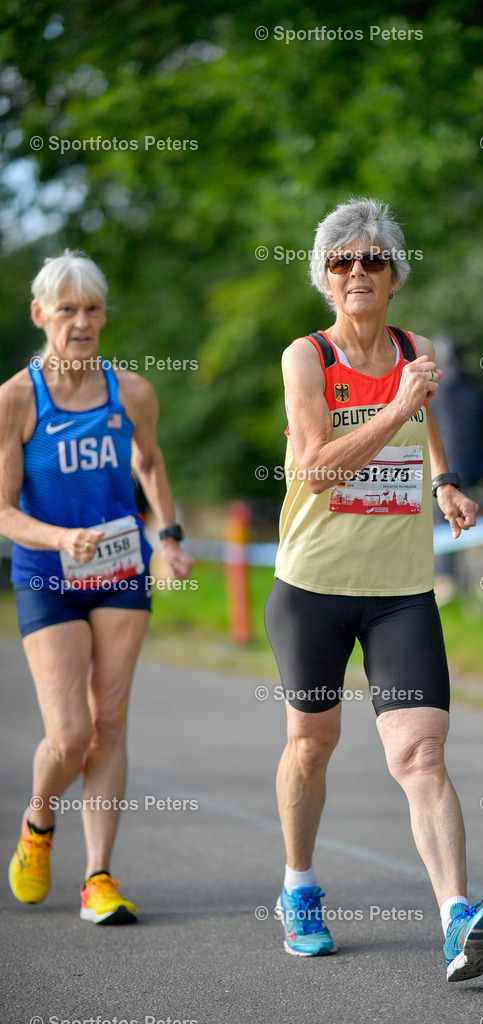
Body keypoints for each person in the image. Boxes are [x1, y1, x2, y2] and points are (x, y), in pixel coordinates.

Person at [264, 198, 483, 981]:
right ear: (324, 279)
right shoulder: (305, 357)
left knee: (421, 751)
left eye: (373, 259)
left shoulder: (416, 348)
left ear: (395, 274)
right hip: (313, 585)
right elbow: (312, 466)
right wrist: (395, 403)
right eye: (342, 261)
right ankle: (298, 889)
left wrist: (444, 480)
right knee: (313, 744)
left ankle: (455, 919)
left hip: (400, 589)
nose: (358, 272)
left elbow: (427, 413)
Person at [1, 250, 194, 924]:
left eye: (91, 309)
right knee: (70, 734)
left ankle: (98, 878)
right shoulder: (16, 399)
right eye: (66, 311)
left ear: (104, 314)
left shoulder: (132, 392)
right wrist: (59, 539)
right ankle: (37, 820)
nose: (81, 323)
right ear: (39, 315)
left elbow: (150, 460)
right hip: (47, 575)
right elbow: (3, 510)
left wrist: (168, 536)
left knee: (109, 723)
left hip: (119, 569)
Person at [430, 336, 483, 605]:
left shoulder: (434, 391)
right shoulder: (480, 388)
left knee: (439, 517)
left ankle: (444, 577)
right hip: (479, 470)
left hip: (446, 473)